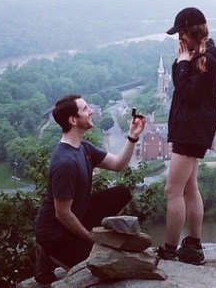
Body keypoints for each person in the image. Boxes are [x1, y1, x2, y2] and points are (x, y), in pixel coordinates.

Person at [32, 94, 146, 284]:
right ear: (73, 120)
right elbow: (62, 214)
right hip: (55, 233)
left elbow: (118, 164)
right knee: (100, 267)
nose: (91, 111)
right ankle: (47, 255)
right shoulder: (65, 163)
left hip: (78, 212)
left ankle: (76, 242)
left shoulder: (83, 147)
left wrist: (133, 136)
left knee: (121, 193)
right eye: (85, 109)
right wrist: (91, 238)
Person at [156, 7, 216, 265]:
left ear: (191, 32)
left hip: (190, 131)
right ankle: (193, 246)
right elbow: (185, 87)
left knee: (172, 190)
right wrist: (184, 61)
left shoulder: (205, 60)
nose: (179, 39)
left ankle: (169, 250)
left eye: (181, 34)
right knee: (189, 187)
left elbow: (187, 93)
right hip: (192, 129)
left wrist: (182, 63)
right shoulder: (200, 55)